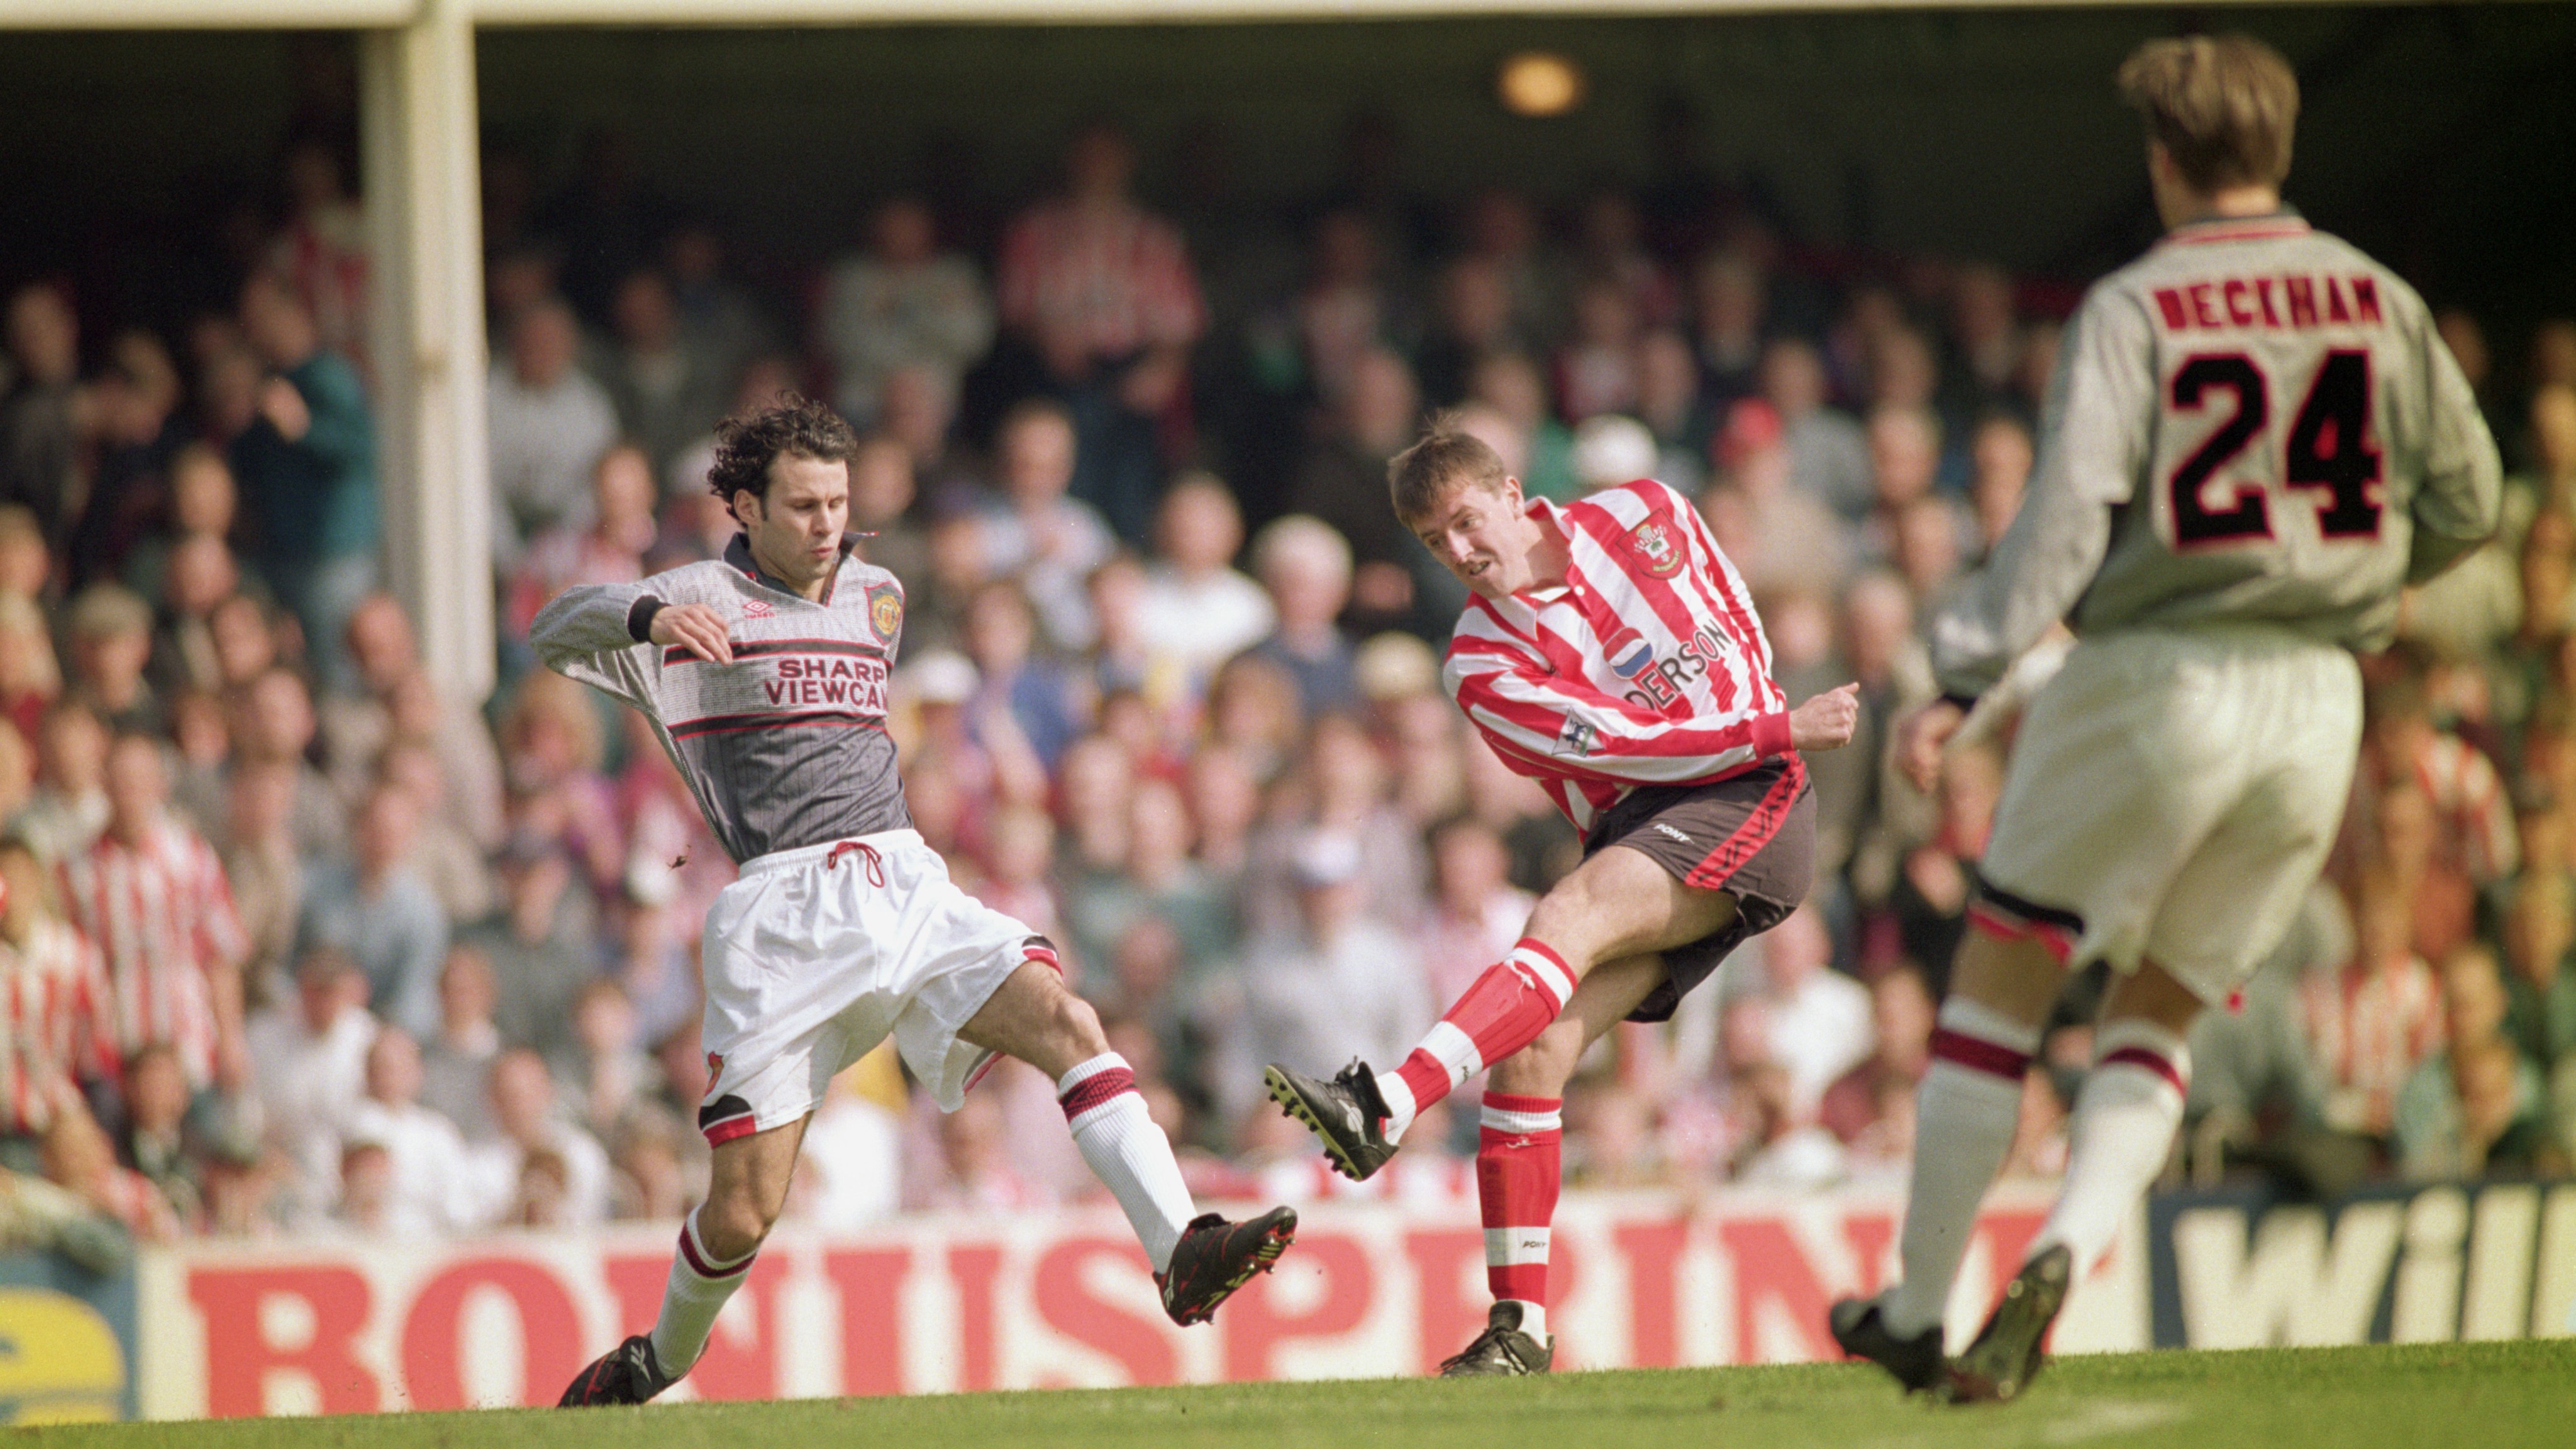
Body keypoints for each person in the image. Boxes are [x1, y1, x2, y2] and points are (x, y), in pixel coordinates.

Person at [1826, 35, 2502, 1404]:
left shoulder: (2137, 305)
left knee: (1998, 986)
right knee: (2162, 1007)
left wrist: (1960, 671)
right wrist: (2355, 579)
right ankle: (2067, 1250)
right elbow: (2472, 503)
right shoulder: (2378, 300)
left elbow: (2065, 510)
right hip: (2317, 699)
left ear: (2160, 158)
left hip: (2156, 669)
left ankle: (1911, 1307)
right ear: (2280, 145)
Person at [535, 394, 1294, 1407]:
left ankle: (1181, 1251)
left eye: (838, 503)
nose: (825, 525)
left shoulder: (880, 595)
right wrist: (648, 614)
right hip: (782, 920)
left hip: (903, 878)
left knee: (1067, 1017)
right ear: (747, 506)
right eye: (802, 505)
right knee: (747, 1213)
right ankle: (656, 1362)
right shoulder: (697, 595)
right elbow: (551, 630)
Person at [1263, 419, 1859, 1375]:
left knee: (1560, 920)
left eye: (1465, 521)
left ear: (1510, 491)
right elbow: (1613, 743)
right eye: (1433, 543)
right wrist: (1769, 722)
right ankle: (1521, 1331)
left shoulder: (1646, 510)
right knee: (1533, 1054)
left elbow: (1733, 620)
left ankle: (1389, 1101)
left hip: (1751, 791)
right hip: (1665, 806)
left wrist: (1769, 730)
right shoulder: (1477, 662)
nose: (1459, 553)